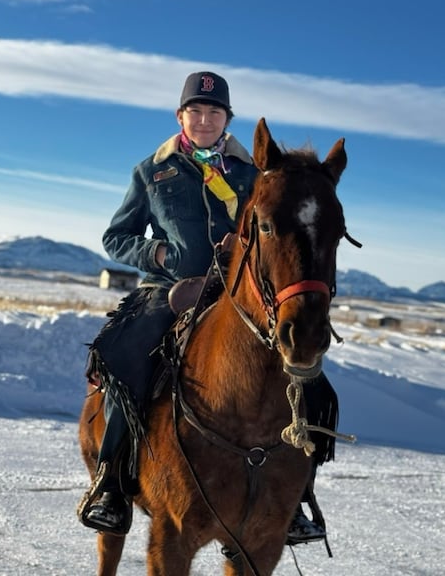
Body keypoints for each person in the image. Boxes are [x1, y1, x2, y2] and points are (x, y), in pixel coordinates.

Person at [78, 71, 338, 545]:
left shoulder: (252, 173)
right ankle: (112, 484)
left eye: (213, 112)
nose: (204, 120)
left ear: (226, 120)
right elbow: (115, 237)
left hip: (237, 292)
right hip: (170, 289)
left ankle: (297, 496)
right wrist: (155, 254)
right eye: (195, 111)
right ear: (181, 117)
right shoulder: (151, 171)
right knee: (126, 357)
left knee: (309, 378)